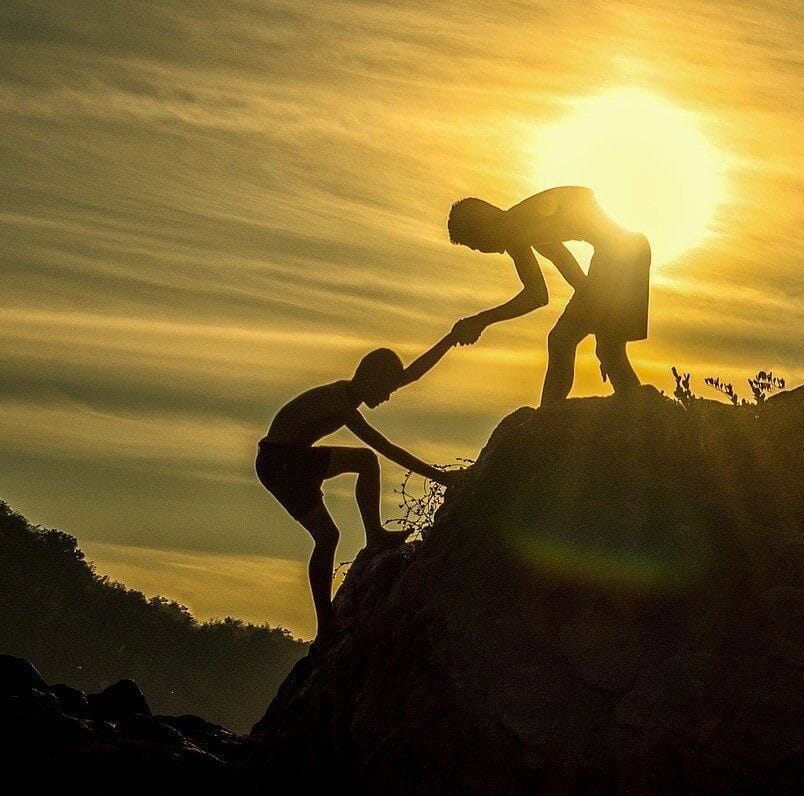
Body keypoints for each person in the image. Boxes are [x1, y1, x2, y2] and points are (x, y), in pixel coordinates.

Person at [257, 332, 460, 645]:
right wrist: (439, 476)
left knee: (364, 463)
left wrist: (451, 338)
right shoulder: (340, 402)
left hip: (292, 458)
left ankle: (374, 535)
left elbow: (412, 375)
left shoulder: (350, 394)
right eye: (386, 389)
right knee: (328, 536)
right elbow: (385, 447)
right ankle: (327, 624)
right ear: (371, 379)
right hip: (280, 463)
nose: (388, 397)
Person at [446, 185, 651, 405]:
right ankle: (634, 410)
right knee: (606, 350)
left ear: (482, 226)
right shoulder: (520, 225)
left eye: (476, 244)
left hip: (621, 257)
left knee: (563, 341)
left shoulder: (516, 227)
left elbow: (536, 295)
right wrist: (599, 322)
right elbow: (569, 274)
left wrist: (481, 320)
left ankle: (549, 414)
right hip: (627, 253)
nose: (482, 250)